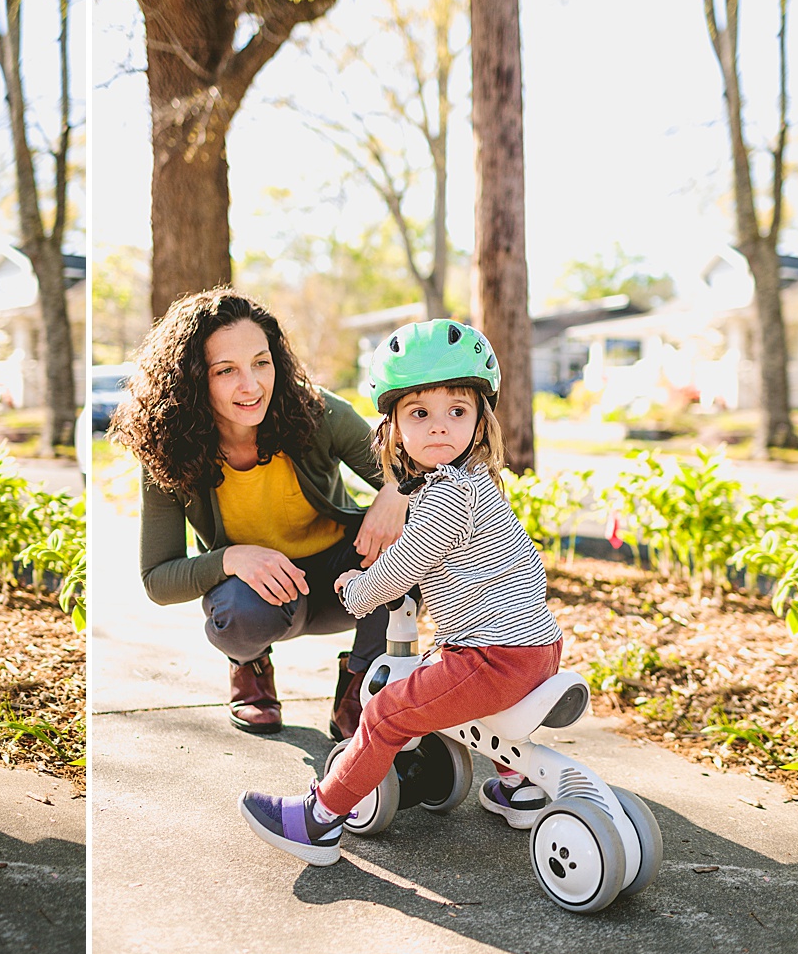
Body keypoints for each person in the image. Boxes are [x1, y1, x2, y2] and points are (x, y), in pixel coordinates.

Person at [239, 318, 565, 866]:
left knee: (388, 713)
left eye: (456, 412)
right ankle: (520, 786)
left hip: (495, 659)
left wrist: (359, 590)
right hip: (535, 648)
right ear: (393, 426)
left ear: (479, 420)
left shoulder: (447, 495)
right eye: (420, 414)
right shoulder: (477, 483)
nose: (439, 427)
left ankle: (318, 821)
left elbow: (406, 563)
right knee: (449, 677)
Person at [110, 289, 410, 738]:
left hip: (343, 581)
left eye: (261, 362)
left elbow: (418, 470)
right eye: (226, 370)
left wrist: (397, 490)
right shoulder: (167, 451)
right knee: (236, 610)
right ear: (192, 380)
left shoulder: (317, 412)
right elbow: (157, 579)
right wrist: (232, 559)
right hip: (260, 598)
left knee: (410, 551)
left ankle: (359, 690)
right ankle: (249, 668)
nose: (251, 385)